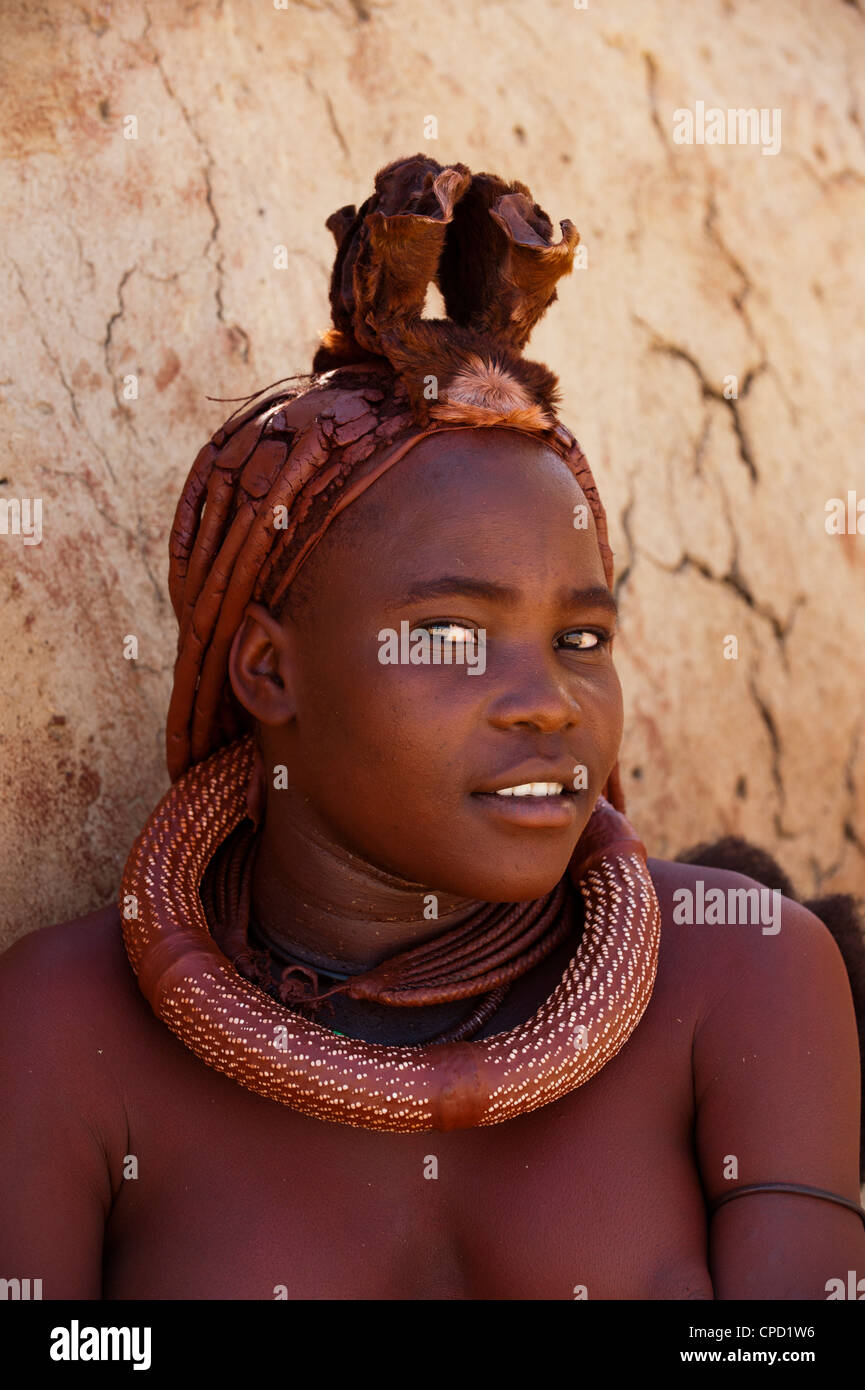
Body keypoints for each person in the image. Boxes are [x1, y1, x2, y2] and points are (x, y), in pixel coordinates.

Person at [1, 154, 863, 1301]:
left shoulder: (741, 979)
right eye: (452, 636)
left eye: (582, 639)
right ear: (270, 669)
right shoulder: (66, 1030)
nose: (547, 699)